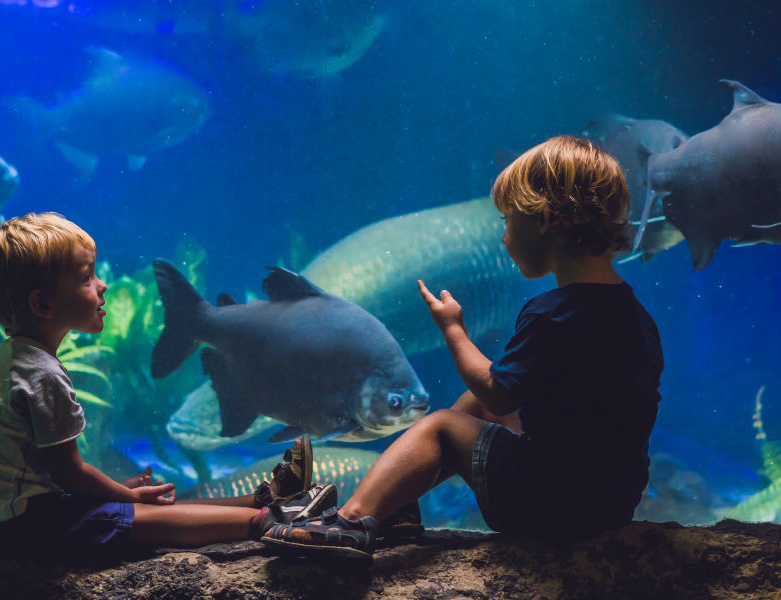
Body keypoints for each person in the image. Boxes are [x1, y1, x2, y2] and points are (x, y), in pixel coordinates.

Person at [262, 136, 664, 561]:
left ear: (545, 221)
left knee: (442, 426)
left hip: (548, 506)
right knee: (475, 406)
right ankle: (394, 506)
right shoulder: (636, 315)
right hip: (611, 503)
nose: (505, 238)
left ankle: (351, 524)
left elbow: (498, 392)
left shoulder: (551, 314)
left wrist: (453, 330)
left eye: (509, 221)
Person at [0, 212, 335, 554]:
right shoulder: (41, 374)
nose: (102, 286)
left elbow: (54, 472)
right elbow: (69, 474)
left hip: (11, 515)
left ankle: (259, 500)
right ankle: (266, 523)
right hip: (13, 527)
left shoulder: (21, 361)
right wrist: (124, 494)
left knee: (129, 505)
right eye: (86, 278)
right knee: (134, 517)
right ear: (43, 305)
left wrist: (119, 493)